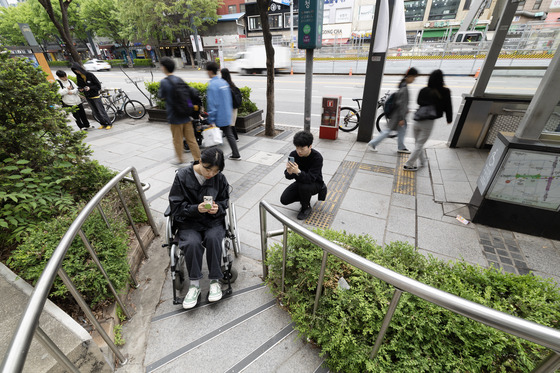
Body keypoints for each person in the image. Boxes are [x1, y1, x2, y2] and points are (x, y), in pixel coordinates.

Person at [168, 147, 229, 309]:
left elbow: (224, 201)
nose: (211, 174)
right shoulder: (182, 176)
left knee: (214, 238)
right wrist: (196, 209)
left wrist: (219, 208)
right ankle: (194, 285)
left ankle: (215, 280)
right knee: (192, 242)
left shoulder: (220, 179)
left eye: (216, 171)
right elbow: (175, 206)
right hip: (189, 221)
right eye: (208, 169)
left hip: (212, 220)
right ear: (200, 161)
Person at [403, 69, 453, 171]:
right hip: (428, 122)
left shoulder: (424, 90)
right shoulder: (445, 91)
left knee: (418, 143)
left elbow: (418, 101)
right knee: (420, 144)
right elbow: (448, 106)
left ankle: (422, 160)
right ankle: (409, 164)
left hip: (417, 119)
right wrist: (449, 118)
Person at [158, 57, 201, 164]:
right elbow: (188, 95)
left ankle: (180, 159)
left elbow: (161, 96)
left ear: (164, 68)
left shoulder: (164, 82)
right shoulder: (179, 79)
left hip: (174, 116)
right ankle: (198, 158)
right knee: (191, 139)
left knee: (177, 140)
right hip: (186, 115)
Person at [368, 67, 419, 153]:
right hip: (398, 115)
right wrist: (402, 118)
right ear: (410, 76)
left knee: (401, 130)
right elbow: (401, 104)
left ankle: (401, 147)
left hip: (398, 114)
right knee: (388, 131)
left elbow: (401, 103)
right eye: (414, 77)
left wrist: (406, 110)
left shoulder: (403, 85)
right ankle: (373, 143)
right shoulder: (404, 88)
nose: (414, 80)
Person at [281, 131, 327, 220]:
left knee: (304, 187)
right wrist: (289, 172)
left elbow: (310, 178)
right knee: (284, 200)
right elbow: (288, 176)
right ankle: (304, 197)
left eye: (302, 149)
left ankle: (306, 207)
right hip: (301, 181)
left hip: (316, 183)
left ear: (310, 146)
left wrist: (298, 172)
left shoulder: (317, 157)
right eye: (297, 148)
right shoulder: (294, 154)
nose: (299, 151)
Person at [206, 62, 241, 160]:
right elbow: (228, 100)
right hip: (226, 114)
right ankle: (236, 154)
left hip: (218, 116)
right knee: (229, 135)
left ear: (209, 71)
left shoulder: (212, 85)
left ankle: (213, 159)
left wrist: (211, 119)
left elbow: (212, 104)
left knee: (213, 138)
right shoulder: (224, 83)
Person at [70, 63, 112, 130]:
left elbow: (98, 86)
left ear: (80, 68)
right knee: (95, 112)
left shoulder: (90, 75)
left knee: (101, 111)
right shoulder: (79, 77)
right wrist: (81, 89)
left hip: (95, 96)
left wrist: (90, 88)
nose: (77, 72)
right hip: (88, 97)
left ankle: (109, 123)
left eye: (77, 70)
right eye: (75, 71)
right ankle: (103, 123)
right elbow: (80, 86)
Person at [220, 68, 241, 141]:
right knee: (231, 123)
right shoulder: (231, 83)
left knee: (229, 124)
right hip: (234, 106)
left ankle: (234, 137)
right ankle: (233, 137)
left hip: (227, 107)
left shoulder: (222, 83)